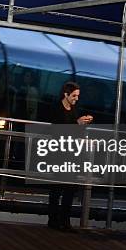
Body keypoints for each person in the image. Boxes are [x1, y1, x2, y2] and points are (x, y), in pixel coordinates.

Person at [47, 81, 92, 231]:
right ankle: (53, 220)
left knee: (70, 189)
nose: (76, 99)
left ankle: (65, 221)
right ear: (66, 94)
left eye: (77, 96)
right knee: (56, 190)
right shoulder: (57, 109)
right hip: (58, 155)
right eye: (74, 96)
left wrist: (81, 125)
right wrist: (76, 123)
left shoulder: (73, 109)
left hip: (71, 155)